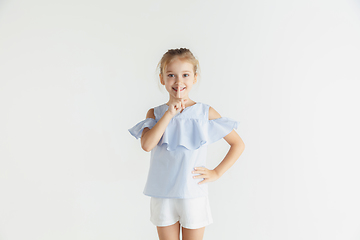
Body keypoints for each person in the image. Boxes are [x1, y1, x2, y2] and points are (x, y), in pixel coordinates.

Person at [128, 48, 245, 240]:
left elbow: (238, 144)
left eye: (185, 75)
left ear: (194, 78)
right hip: (162, 194)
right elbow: (147, 145)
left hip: (193, 193)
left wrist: (216, 172)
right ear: (162, 79)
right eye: (171, 75)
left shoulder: (204, 113)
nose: (178, 81)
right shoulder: (155, 113)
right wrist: (169, 114)